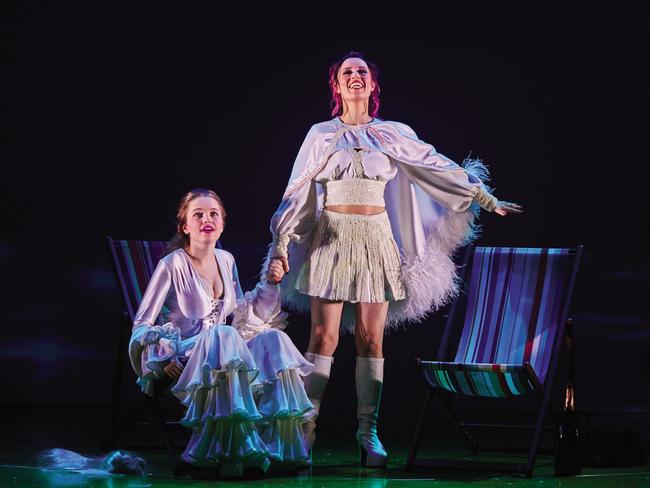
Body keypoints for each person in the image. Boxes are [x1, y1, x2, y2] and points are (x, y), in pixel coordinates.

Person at [264, 51, 523, 467]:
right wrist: (280, 245)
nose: (355, 76)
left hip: (376, 240)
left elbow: (432, 164)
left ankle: (368, 433)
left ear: (372, 85)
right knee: (322, 338)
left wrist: (483, 197)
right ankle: (304, 429)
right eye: (347, 71)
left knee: (371, 338)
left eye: (362, 71)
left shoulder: (392, 133)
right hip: (332, 238)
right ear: (336, 85)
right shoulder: (320, 135)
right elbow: (296, 190)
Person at [128, 189, 314, 478]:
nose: (207, 219)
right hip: (186, 360)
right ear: (185, 226)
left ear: (223, 223)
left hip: (225, 355)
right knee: (223, 336)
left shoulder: (226, 260)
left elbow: (240, 316)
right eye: (198, 214)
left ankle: (277, 449)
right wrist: (164, 357)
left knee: (272, 340)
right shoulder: (173, 264)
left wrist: (270, 283)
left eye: (213, 213)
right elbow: (142, 325)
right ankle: (226, 453)